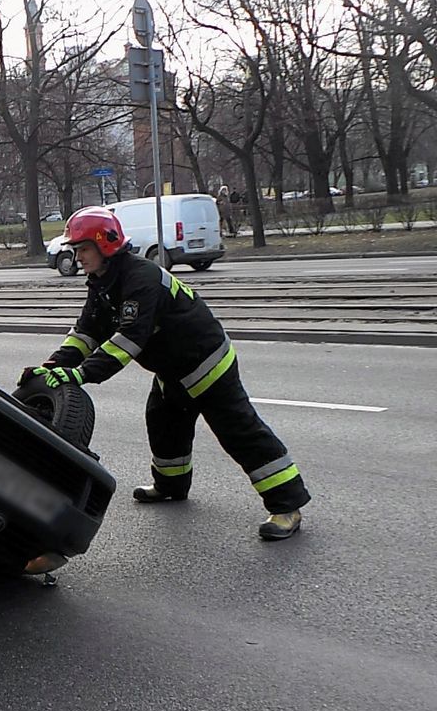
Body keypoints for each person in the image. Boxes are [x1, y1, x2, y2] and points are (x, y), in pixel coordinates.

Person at [19, 206, 310, 540]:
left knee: (241, 433)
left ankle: (287, 506)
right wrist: (54, 367)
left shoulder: (140, 278)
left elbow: (129, 339)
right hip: (172, 370)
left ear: (105, 244)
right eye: (76, 250)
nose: (78, 256)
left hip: (207, 364)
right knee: (163, 424)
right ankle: (170, 486)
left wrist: (82, 375)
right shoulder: (103, 281)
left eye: (82, 249)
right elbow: (86, 332)